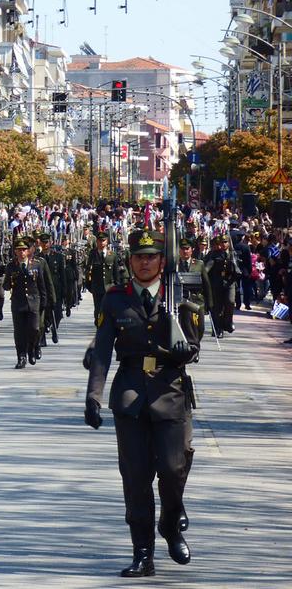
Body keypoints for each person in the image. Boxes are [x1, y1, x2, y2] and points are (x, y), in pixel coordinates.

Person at [85, 229, 200, 578]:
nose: (145, 261)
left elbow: (194, 344)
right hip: (131, 394)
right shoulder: (115, 299)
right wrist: (94, 396)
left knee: (172, 468)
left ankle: (169, 523)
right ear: (130, 261)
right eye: (139, 256)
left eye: (151, 256)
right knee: (136, 479)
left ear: (162, 261)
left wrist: (185, 352)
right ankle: (143, 553)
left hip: (170, 390)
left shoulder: (178, 294)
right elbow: (103, 349)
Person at [4, 236, 45, 369]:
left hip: (34, 302)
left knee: (35, 328)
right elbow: (6, 286)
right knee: (19, 332)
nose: (21, 252)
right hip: (18, 303)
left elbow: (42, 285)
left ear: (28, 251)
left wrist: (44, 302)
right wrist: (7, 277)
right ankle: (21, 357)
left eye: (24, 249)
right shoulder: (11, 266)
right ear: (15, 251)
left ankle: (33, 347)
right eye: (19, 250)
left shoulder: (36, 264)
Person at [205, 235, 239, 337]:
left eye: (225, 242)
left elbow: (237, 269)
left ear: (229, 243)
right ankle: (217, 328)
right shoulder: (214, 254)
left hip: (230, 283)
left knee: (230, 302)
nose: (223, 244)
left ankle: (227, 322)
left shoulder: (233, 254)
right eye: (222, 242)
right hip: (217, 283)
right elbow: (208, 267)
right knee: (217, 307)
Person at [86, 231, 121, 323]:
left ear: (107, 241)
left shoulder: (112, 255)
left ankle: (107, 326)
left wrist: (117, 287)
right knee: (98, 310)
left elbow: (116, 273)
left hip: (109, 287)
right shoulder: (92, 254)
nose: (101, 243)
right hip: (97, 287)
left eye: (103, 240)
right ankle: (98, 325)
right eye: (99, 241)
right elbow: (88, 270)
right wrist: (89, 286)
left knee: (108, 309)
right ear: (96, 241)